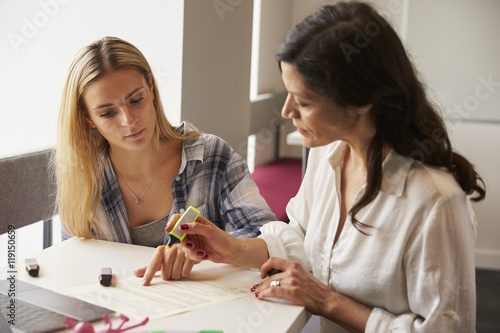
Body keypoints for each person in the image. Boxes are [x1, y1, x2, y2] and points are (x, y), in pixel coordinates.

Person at [140, 2, 486, 332]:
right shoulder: (328, 154)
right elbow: (302, 240)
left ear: (362, 100)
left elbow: (445, 328)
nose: (288, 111)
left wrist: (327, 301)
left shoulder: (436, 202)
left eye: (304, 101)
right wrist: (230, 248)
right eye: (288, 94)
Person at [54, 36, 276, 279]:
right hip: (120, 315)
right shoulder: (84, 180)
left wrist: (211, 251)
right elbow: (74, 269)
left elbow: (271, 243)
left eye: (136, 100)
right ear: (88, 119)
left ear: (150, 87)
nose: (129, 121)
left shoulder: (211, 157)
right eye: (107, 113)